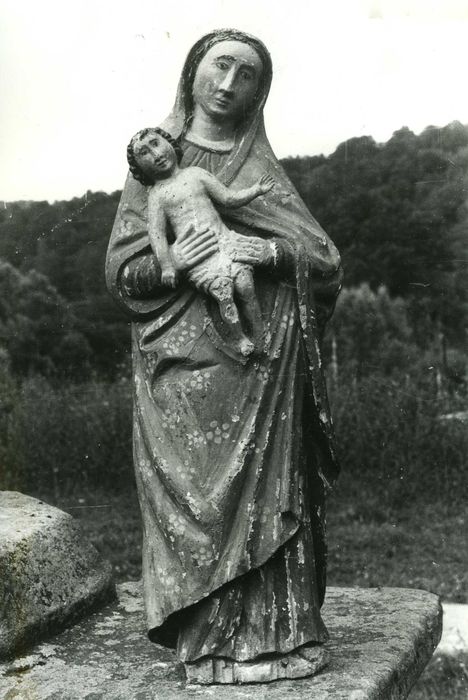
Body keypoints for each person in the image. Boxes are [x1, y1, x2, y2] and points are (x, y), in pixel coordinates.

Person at [106, 29, 343, 684]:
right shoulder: (155, 159)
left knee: (271, 510)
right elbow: (125, 272)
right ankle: (205, 644)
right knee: (199, 512)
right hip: (182, 372)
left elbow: (323, 260)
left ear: (259, 92)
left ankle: (283, 635)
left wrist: (262, 252)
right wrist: (183, 261)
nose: (229, 84)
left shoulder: (256, 166)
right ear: (194, 74)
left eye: (247, 74)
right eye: (220, 67)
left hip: (264, 373)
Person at [127, 126, 275, 355]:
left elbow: (227, 198)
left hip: (225, 243)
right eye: (144, 153)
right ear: (139, 167)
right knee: (224, 293)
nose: (155, 155)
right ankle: (239, 339)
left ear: (168, 143)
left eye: (155, 144)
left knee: (246, 286)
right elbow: (156, 234)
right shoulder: (157, 195)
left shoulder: (196, 174)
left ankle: (259, 331)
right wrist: (167, 265)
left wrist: (255, 190)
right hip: (201, 258)